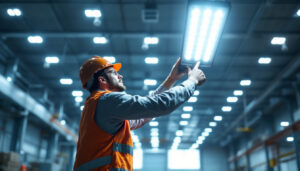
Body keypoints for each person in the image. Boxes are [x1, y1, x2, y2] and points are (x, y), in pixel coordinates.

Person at [74, 56, 206, 171]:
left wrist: (171, 79)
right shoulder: (107, 100)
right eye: (114, 73)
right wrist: (192, 82)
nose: (120, 76)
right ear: (102, 80)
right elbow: (158, 104)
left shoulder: (94, 105)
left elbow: (144, 113)